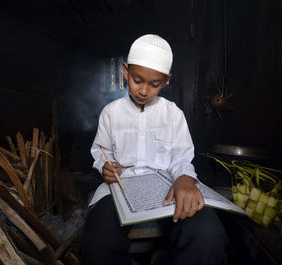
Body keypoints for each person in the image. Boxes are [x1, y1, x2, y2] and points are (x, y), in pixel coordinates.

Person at [78, 34, 228, 265]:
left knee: (208, 234)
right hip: (120, 186)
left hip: (165, 188)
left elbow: (181, 156)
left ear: (166, 81)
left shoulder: (173, 114)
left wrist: (185, 178)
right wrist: (104, 165)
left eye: (154, 84)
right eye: (137, 80)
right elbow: (100, 148)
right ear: (126, 71)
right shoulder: (111, 112)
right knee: (97, 243)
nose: (144, 91)